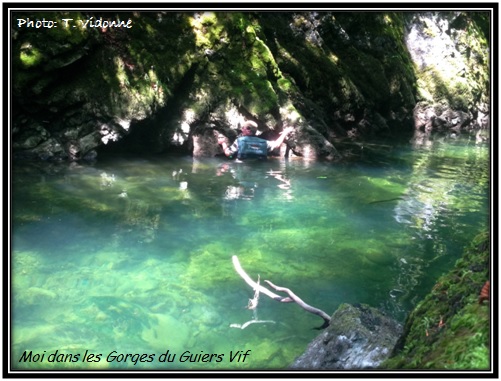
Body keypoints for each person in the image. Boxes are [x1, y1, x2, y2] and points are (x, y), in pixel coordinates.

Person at [217, 121, 294, 160]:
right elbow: (277, 144)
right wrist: (285, 133)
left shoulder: (239, 141)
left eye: (243, 127)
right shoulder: (264, 142)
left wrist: (223, 143)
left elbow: (228, 154)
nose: (241, 129)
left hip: (242, 170)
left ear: (248, 130)